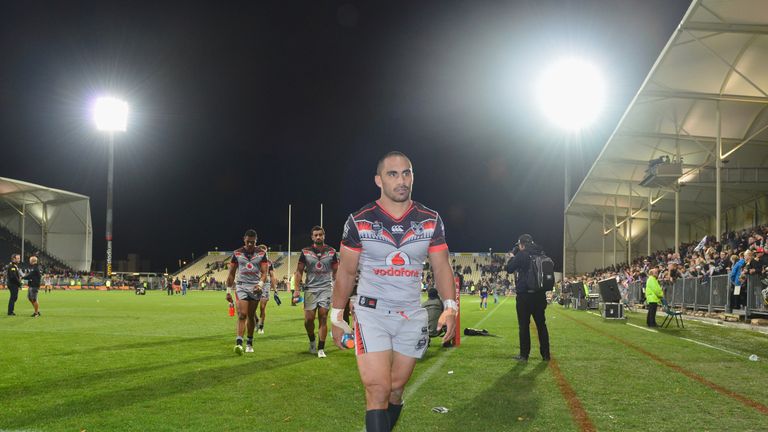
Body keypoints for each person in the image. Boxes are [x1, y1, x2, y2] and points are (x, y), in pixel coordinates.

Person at [330, 151, 457, 432]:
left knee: (395, 390)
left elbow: (441, 266)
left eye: (407, 173)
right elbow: (346, 272)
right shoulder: (359, 220)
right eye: (393, 174)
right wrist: (337, 316)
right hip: (370, 312)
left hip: (411, 314)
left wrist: (450, 306)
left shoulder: (430, 219)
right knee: (377, 388)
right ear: (378, 180)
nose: (402, 180)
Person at [293, 226, 338, 358]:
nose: (318, 237)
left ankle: (321, 348)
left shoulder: (331, 251)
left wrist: (336, 287)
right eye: (316, 235)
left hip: (325, 289)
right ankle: (312, 341)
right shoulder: (305, 252)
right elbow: (299, 271)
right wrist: (296, 290)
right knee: (308, 320)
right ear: (312, 237)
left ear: (324, 236)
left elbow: (336, 271)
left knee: (323, 317)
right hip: (310, 289)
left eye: (320, 234)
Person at [505, 234, 550, 362]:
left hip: (525, 296)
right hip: (540, 295)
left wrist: (512, 257)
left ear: (522, 244)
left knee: (524, 326)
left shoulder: (522, 254)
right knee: (541, 325)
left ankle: (524, 355)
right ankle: (546, 354)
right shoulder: (541, 254)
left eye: (519, 245)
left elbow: (509, 268)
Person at [226, 229, 268, 355]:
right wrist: (228, 291)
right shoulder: (237, 253)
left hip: (255, 287)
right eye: (248, 242)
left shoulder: (261, 253)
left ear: (256, 241)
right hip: (242, 286)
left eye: (253, 242)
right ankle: (239, 343)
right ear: (244, 239)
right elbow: (231, 273)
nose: (250, 244)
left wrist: (260, 284)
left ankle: (249, 342)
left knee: (251, 315)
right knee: (242, 314)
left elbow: (264, 273)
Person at [257, 245, 277, 334]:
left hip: (265, 284)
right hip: (255, 283)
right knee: (251, 308)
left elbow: (272, 276)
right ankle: (257, 320)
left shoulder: (269, 263)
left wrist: (275, 289)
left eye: (265, 251)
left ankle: (261, 326)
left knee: (262, 307)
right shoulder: (254, 260)